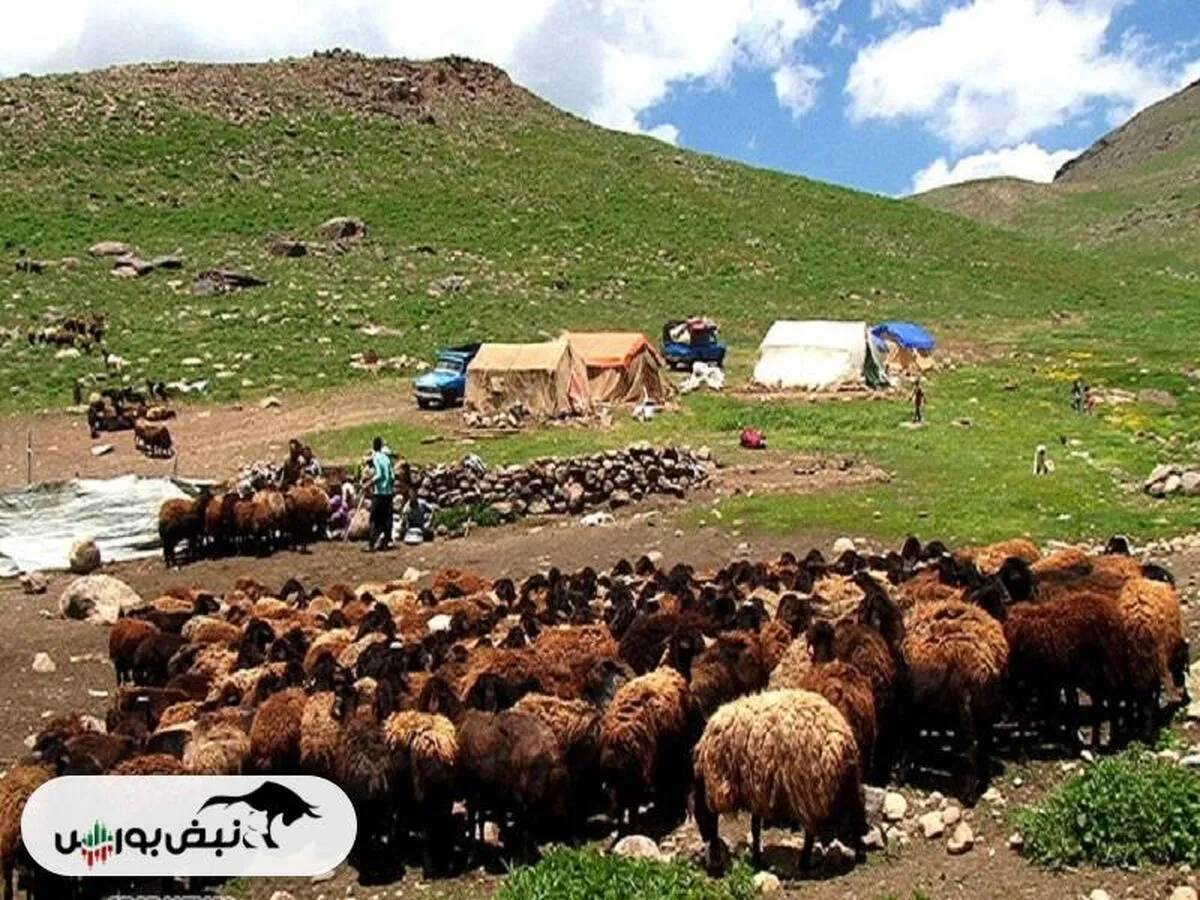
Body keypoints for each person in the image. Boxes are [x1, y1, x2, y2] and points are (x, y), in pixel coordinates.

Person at [366, 436, 395, 551]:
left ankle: (371, 544)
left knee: (374, 519)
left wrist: (369, 483)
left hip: (379, 494)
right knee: (387, 519)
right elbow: (392, 476)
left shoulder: (376, 458)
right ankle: (386, 543)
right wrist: (389, 486)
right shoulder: (387, 458)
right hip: (388, 493)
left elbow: (378, 475)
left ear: (374, 446)